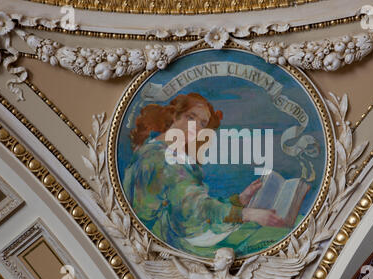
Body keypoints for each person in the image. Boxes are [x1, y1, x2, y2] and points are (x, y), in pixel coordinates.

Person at [123, 92, 290, 257]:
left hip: (185, 230)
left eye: (202, 123)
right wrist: (247, 214)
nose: (196, 126)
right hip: (177, 241)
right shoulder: (162, 158)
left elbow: (194, 202)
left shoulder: (165, 151)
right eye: (191, 117)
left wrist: (240, 200)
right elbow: (196, 208)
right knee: (273, 234)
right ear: (175, 116)